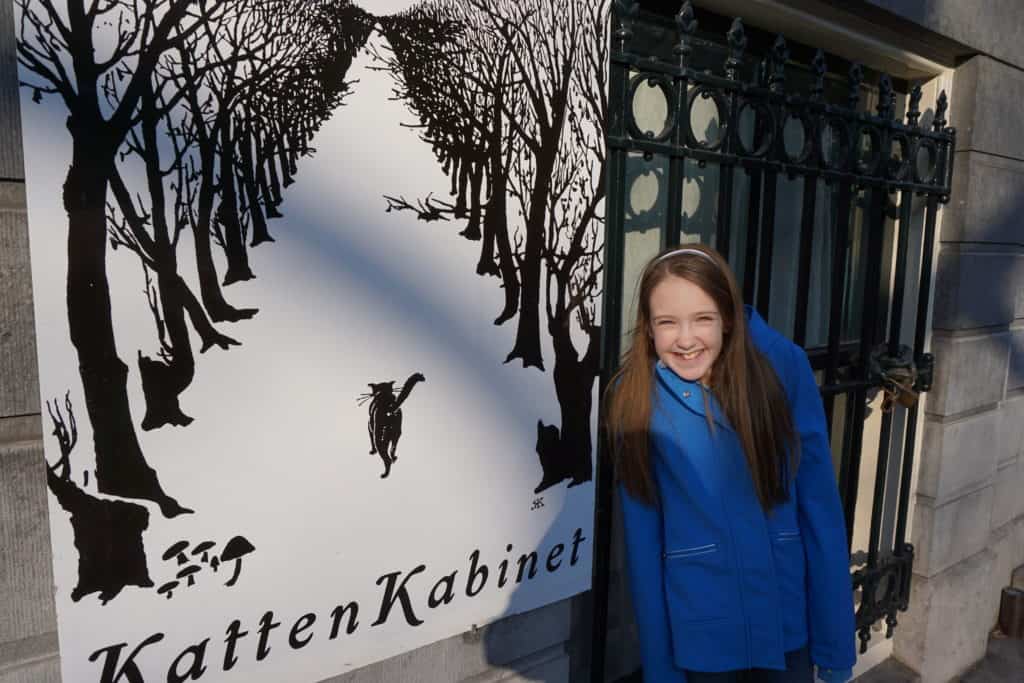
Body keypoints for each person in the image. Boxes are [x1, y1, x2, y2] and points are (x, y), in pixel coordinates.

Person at [606, 244, 856, 682]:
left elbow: (819, 508)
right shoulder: (635, 397)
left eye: (702, 318)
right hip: (701, 638)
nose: (685, 339)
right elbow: (642, 545)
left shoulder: (784, 368)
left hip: (784, 625)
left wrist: (835, 641)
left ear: (727, 316)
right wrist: (661, 669)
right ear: (648, 329)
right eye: (667, 323)